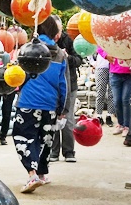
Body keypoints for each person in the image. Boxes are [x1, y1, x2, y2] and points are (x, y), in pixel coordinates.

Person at [12, 16, 67, 193]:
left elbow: (18, 76)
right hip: (50, 105)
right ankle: (42, 174)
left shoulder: (27, 50)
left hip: (28, 102)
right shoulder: (60, 54)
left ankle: (32, 174)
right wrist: (61, 109)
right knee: (45, 139)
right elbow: (63, 84)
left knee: (24, 137)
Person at [50, 30, 82, 162]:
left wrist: (68, 57)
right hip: (53, 85)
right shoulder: (47, 42)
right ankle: (54, 151)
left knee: (68, 118)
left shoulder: (68, 40)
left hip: (70, 85)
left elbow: (79, 60)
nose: (56, 36)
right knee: (53, 117)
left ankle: (69, 152)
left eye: (57, 31)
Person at [109, 55, 131, 135]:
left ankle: (127, 125)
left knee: (125, 100)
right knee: (117, 101)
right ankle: (120, 124)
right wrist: (106, 56)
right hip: (115, 72)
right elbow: (100, 47)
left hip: (129, 73)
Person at [90, 47, 115, 126]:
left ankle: (109, 115)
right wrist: (93, 62)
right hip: (101, 66)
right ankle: (99, 115)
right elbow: (93, 49)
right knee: (100, 92)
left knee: (112, 93)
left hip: (113, 66)